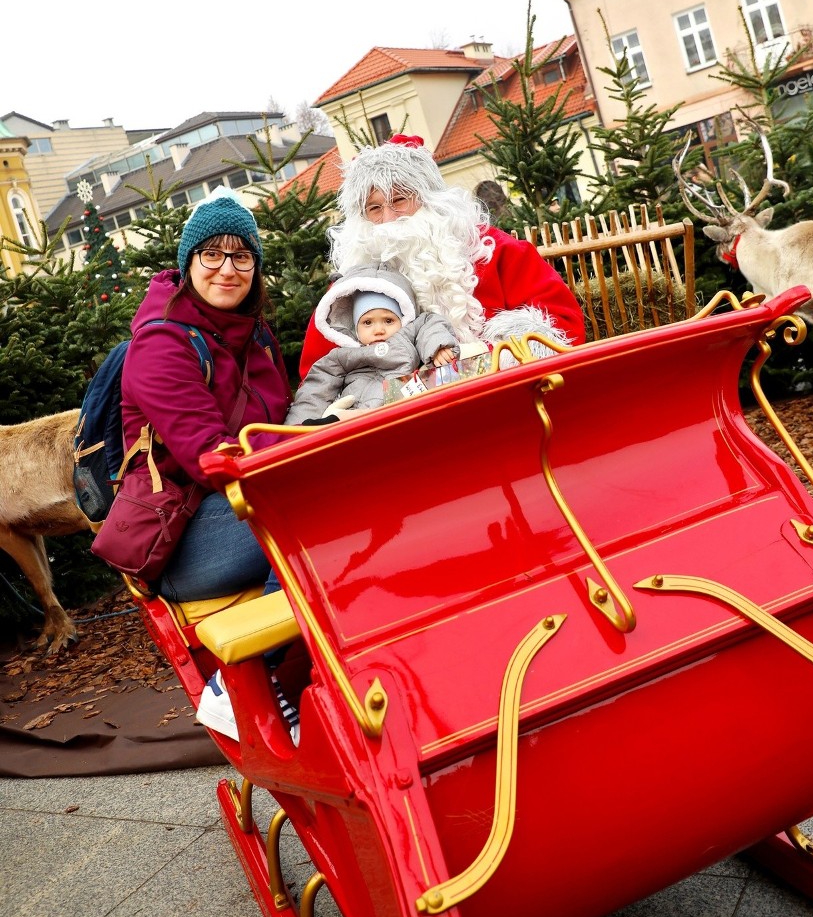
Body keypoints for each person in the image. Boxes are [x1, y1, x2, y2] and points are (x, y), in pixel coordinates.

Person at [120, 186, 299, 746]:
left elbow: (280, 428)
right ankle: (235, 688)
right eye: (212, 254)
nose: (228, 268)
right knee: (304, 512)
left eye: (241, 255)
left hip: (248, 506)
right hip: (183, 539)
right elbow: (210, 458)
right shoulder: (161, 345)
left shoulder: (258, 337)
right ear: (189, 262)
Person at [299, 134, 586, 379]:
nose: (388, 219)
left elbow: (563, 326)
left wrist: (491, 357)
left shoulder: (496, 251)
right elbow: (317, 370)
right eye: (374, 209)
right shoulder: (350, 285)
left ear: (429, 198)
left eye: (399, 200)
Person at [285, 263, 459, 425]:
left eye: (388, 320)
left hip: (403, 405)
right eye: (367, 322)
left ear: (402, 319)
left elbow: (431, 324)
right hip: (356, 415)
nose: (379, 330)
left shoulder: (407, 334)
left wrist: (438, 347)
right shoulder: (343, 355)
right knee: (337, 418)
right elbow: (316, 388)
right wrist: (298, 427)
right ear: (355, 327)